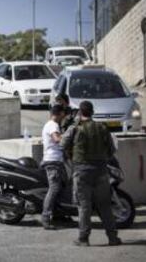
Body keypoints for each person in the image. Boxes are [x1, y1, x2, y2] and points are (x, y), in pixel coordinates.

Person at [61, 101, 122, 247]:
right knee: (105, 205)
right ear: (92, 112)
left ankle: (83, 238)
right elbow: (111, 150)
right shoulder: (102, 128)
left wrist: (71, 154)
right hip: (101, 171)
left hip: (82, 171)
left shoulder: (74, 128)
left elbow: (62, 144)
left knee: (84, 206)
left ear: (80, 113)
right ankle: (112, 237)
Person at [40, 104, 67, 230]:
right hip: (53, 161)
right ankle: (45, 217)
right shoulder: (53, 125)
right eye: (63, 114)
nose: (64, 117)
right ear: (59, 113)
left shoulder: (51, 124)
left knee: (61, 187)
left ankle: (59, 214)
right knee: (54, 188)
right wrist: (68, 137)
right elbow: (56, 139)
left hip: (56, 160)